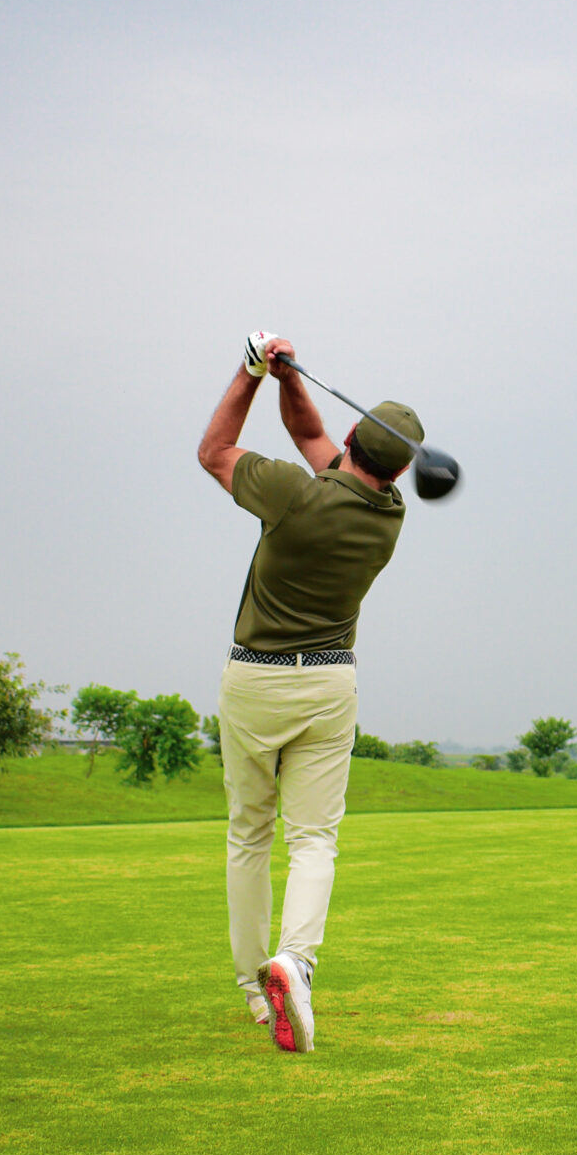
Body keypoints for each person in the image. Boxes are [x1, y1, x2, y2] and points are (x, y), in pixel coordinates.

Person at [195, 333, 423, 1053]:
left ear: (351, 436)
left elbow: (214, 451)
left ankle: (255, 990)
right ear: (400, 469)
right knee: (315, 838)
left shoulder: (294, 494)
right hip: (329, 681)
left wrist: (251, 371)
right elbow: (308, 433)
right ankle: (295, 962)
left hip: (255, 678)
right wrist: (288, 376)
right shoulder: (388, 515)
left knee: (249, 835)